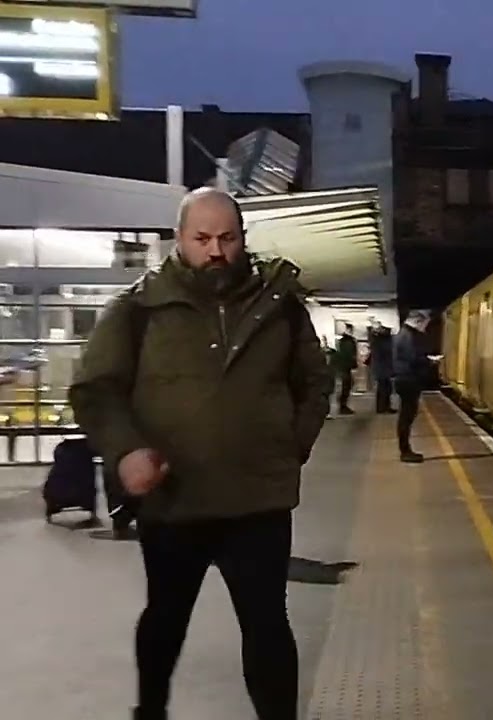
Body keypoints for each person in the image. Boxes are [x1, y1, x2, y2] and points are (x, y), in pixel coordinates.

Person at [68, 187, 333, 720]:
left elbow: (314, 383)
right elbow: (97, 390)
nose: (217, 250)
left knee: (266, 622)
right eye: (203, 238)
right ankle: (151, 710)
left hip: (257, 501)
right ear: (179, 240)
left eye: (228, 238)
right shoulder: (137, 309)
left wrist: (290, 447)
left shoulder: (278, 305)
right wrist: (125, 453)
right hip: (174, 502)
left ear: (242, 239)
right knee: (166, 617)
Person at [393, 311, 431, 463]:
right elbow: (412, 358)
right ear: (417, 321)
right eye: (424, 324)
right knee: (406, 416)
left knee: (406, 416)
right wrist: (429, 361)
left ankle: (405, 449)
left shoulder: (403, 334)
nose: (425, 328)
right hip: (408, 379)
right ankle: (405, 451)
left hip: (404, 379)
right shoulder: (407, 336)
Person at [366, 320, 394, 414]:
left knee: (385, 388)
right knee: (384, 389)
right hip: (382, 368)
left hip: (382, 367)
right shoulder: (380, 341)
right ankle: (382, 408)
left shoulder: (377, 340)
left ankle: (383, 407)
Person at [333, 323, 357, 415]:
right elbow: (349, 355)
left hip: (343, 367)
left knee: (346, 386)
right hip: (345, 367)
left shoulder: (342, 341)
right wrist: (353, 365)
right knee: (346, 386)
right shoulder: (348, 342)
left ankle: (342, 405)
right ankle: (342, 406)